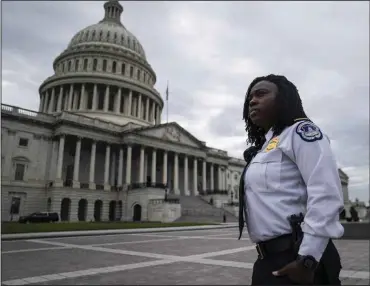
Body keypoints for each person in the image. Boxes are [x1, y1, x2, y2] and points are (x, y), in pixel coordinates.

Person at [238, 74, 344, 285]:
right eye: (250, 96)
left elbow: (326, 194)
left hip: (299, 257)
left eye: (261, 93)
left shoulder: (300, 132)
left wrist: (307, 260)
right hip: (267, 259)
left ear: (283, 99)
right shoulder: (266, 147)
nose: (252, 100)